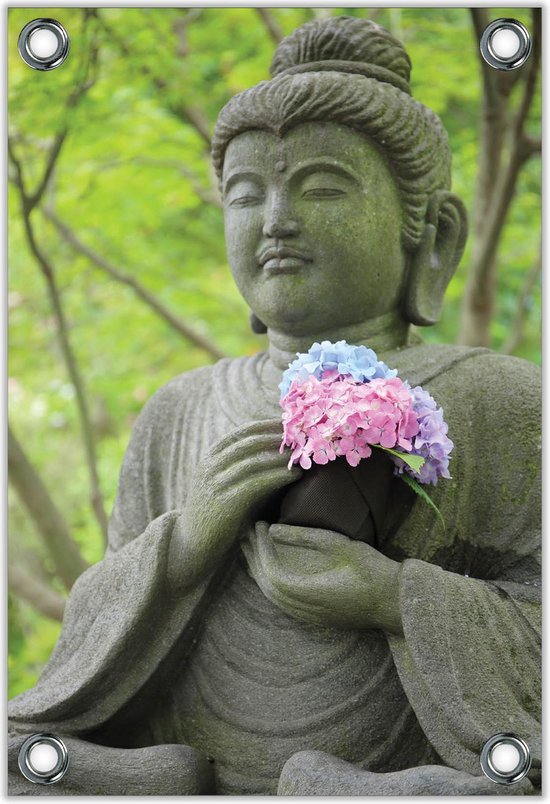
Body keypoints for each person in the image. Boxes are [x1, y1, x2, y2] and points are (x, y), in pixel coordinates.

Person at [8, 16, 540, 796]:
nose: (276, 220)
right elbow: (81, 656)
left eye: (324, 186)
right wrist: (180, 548)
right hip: (182, 762)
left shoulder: (502, 398)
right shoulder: (180, 410)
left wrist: (395, 599)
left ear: (430, 236)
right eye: (246, 192)